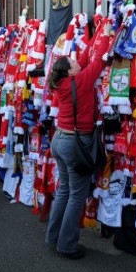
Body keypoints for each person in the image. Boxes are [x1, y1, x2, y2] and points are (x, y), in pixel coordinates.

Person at [45, 21, 111, 259]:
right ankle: (67, 245)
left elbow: (84, 57)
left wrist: (96, 33)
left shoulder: (64, 82)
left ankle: (53, 237)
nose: (76, 61)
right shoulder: (81, 81)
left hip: (59, 141)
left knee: (64, 191)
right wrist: (105, 35)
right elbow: (99, 60)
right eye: (73, 63)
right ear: (70, 71)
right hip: (75, 144)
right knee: (76, 195)